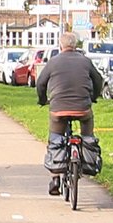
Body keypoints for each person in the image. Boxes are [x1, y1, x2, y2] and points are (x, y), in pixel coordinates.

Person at [35, 31, 105, 195]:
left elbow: (40, 83)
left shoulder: (53, 62)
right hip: (83, 108)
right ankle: (87, 158)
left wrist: (42, 99)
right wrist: (93, 97)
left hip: (58, 109)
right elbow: (98, 80)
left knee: (56, 139)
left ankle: (55, 179)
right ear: (76, 45)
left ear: (61, 45)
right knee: (87, 130)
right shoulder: (86, 61)